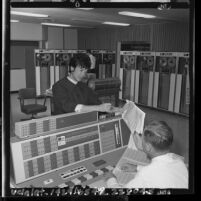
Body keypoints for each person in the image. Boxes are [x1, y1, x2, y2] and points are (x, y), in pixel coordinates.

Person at [106, 121, 189, 188]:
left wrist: (111, 179)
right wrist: (137, 168)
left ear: (148, 147)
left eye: (142, 139)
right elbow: (162, 172)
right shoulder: (179, 163)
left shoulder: (146, 174)